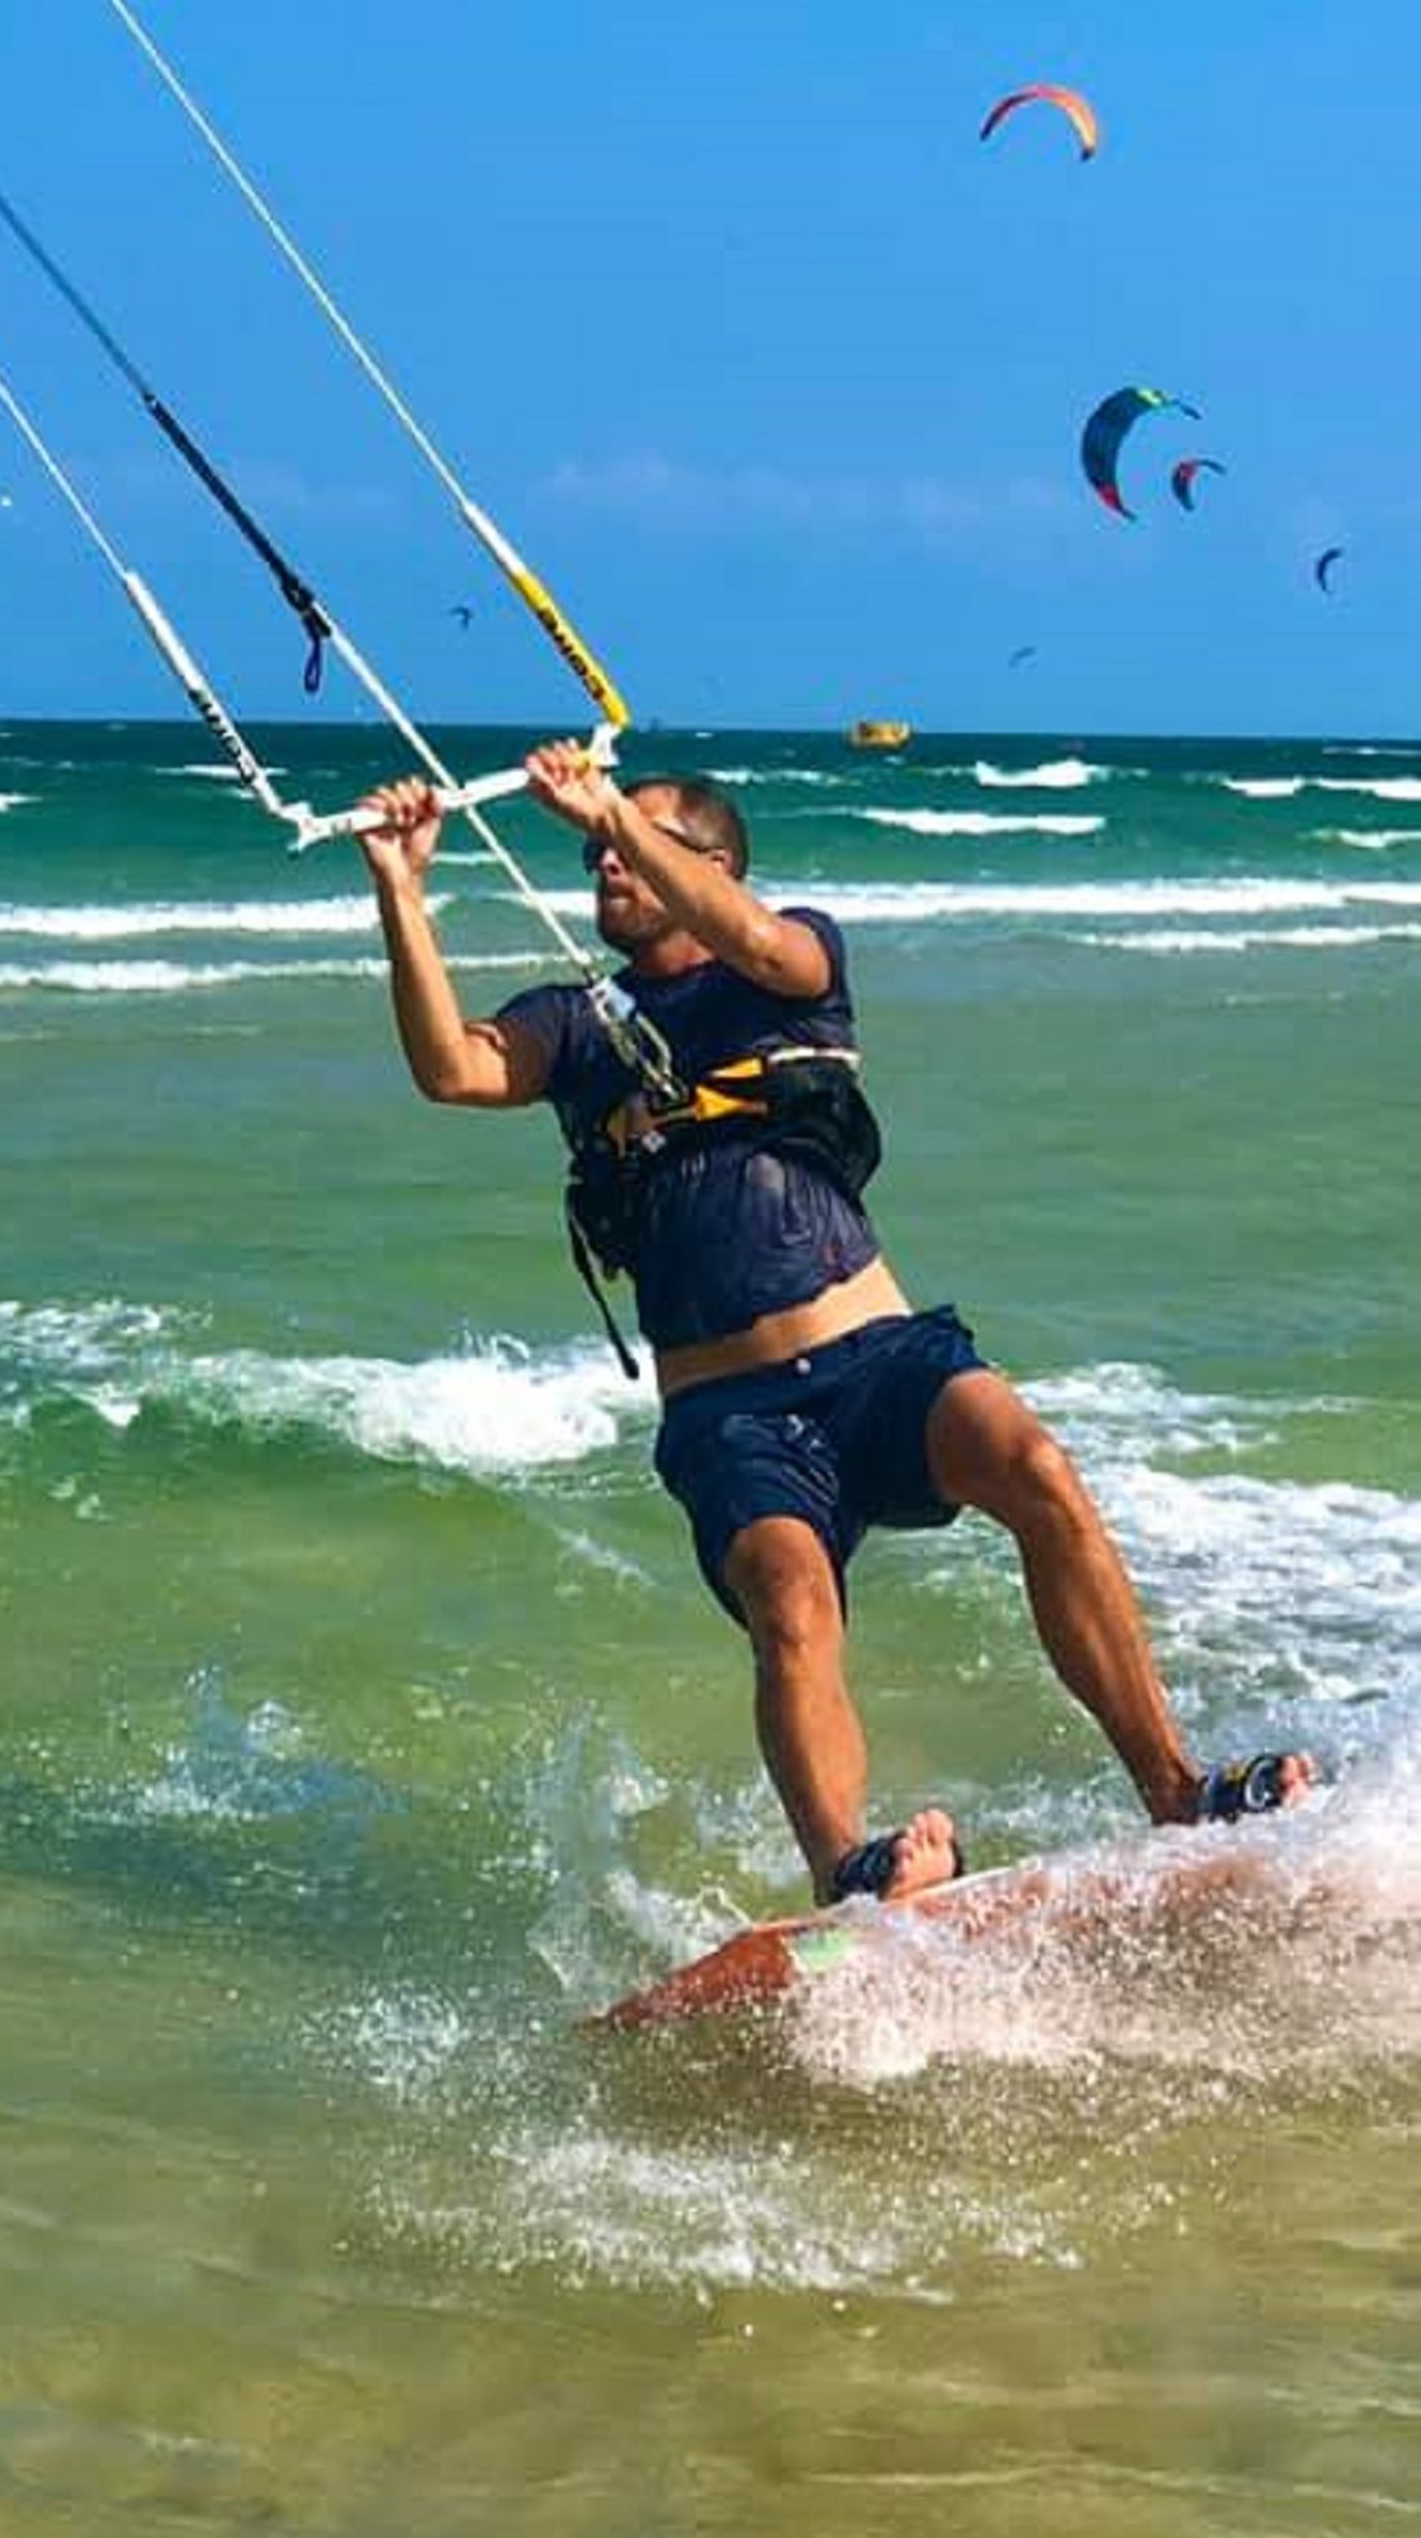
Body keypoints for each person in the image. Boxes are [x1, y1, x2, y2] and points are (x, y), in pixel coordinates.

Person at [360, 742, 1315, 1905]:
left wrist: (613, 801)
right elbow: (452, 1066)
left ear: (708, 861)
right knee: (792, 1602)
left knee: (1038, 1468)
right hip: (730, 1412)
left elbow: (757, 939)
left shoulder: (791, 959)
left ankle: (1174, 1786)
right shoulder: (573, 1024)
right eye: (595, 848)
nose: (602, 856)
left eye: (628, 839)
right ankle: (849, 1875)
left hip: (879, 1357)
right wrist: (401, 889)